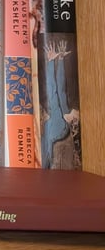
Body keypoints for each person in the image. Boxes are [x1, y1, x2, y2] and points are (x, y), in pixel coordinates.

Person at [41, 40, 81, 169]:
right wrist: (60, 60)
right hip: (54, 148)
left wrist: (53, 61)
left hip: (56, 151)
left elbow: (56, 91)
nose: (75, 112)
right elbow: (60, 89)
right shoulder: (63, 117)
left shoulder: (62, 119)